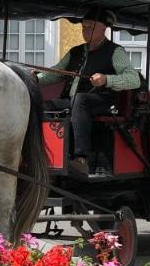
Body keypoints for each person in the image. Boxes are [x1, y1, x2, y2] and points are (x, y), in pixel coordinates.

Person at [37, 9, 142, 175]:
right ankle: (48, 155)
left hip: (104, 102)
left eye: (90, 27)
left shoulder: (115, 51)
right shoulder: (75, 51)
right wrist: (36, 78)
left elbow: (133, 79)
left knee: (80, 100)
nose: (85, 31)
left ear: (103, 28)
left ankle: (81, 159)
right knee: (44, 106)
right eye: (84, 27)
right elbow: (57, 72)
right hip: (73, 101)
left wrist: (107, 79)